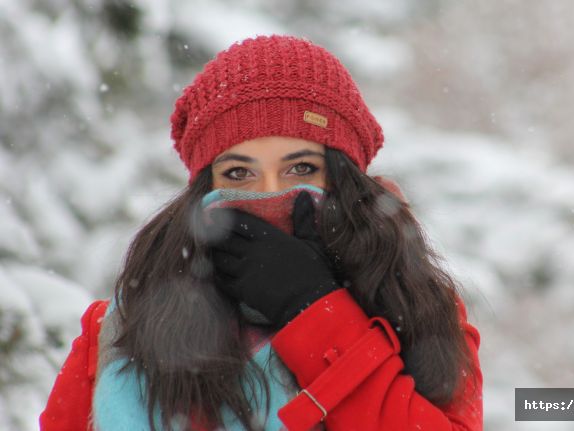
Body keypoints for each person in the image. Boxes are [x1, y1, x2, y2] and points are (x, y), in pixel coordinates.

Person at [39, 34, 483, 431]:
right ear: (203, 191)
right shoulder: (121, 331)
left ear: (346, 182)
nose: (270, 194)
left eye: (302, 168)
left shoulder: (420, 315)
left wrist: (315, 311)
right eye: (238, 173)